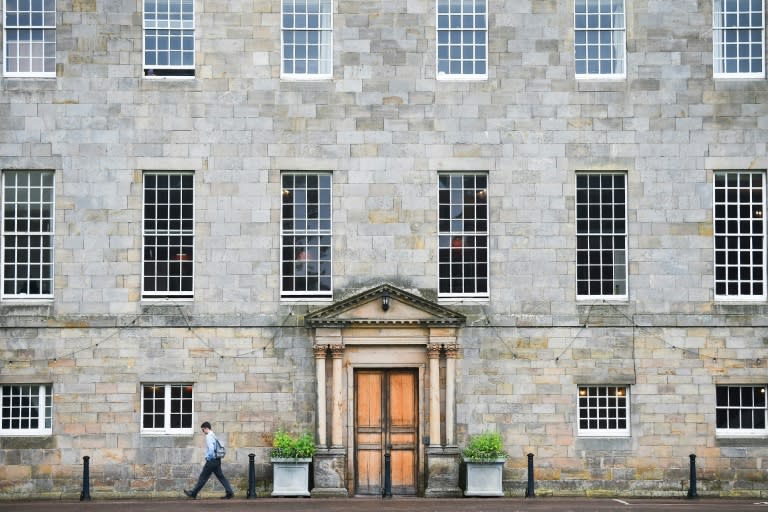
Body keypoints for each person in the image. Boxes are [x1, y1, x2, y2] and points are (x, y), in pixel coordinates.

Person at [184, 421, 234, 499]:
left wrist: (208, 457)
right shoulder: (213, 435)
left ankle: (193, 494)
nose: (203, 431)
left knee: (202, 477)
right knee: (221, 477)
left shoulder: (209, 436)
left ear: (206, 428)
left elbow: (211, 449)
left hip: (212, 461)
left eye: (203, 430)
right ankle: (230, 492)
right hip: (217, 460)